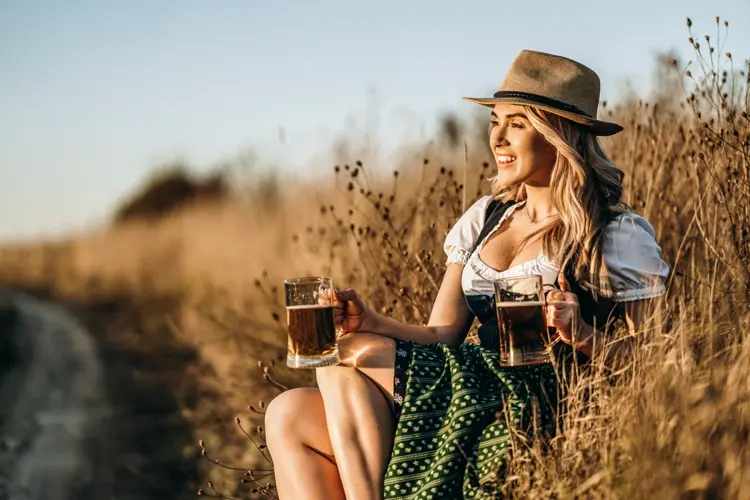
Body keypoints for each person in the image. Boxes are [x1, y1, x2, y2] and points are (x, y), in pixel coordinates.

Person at [264, 49, 670, 499]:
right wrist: (371, 321)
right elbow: (442, 334)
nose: (498, 137)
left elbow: (653, 366)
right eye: (494, 121)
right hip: (470, 381)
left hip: (539, 397)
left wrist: (583, 333)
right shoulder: (486, 216)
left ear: (561, 135)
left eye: (517, 123)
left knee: (348, 355)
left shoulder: (616, 234)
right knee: (290, 410)